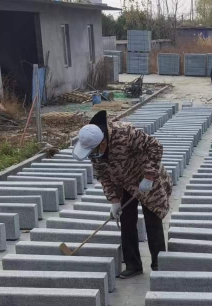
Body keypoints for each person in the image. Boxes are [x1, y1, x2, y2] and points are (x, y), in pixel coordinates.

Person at [72, 110, 171, 278]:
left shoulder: (125, 134)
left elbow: (155, 146)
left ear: (103, 141)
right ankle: (133, 265)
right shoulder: (94, 150)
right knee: (126, 221)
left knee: (153, 219)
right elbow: (103, 176)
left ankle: (159, 265)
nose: (92, 154)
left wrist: (148, 176)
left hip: (146, 179)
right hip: (123, 183)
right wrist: (114, 200)